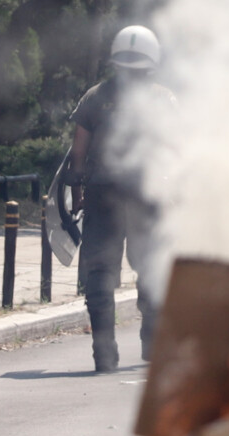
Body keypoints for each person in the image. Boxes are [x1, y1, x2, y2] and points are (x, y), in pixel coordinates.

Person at [70, 25, 174, 374]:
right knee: (152, 268)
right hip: (148, 195)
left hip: (103, 195)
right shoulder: (164, 99)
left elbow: (78, 151)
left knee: (99, 272)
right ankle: (153, 344)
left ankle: (105, 354)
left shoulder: (95, 96)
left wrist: (77, 190)